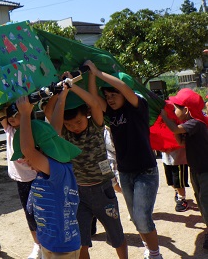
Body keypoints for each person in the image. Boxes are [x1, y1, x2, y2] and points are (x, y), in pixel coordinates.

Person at [84, 61, 162, 259]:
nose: (110, 99)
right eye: (107, 96)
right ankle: (149, 247)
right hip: (125, 173)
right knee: (136, 219)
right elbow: (94, 99)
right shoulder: (111, 113)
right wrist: (91, 76)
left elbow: (125, 88)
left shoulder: (138, 106)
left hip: (146, 171)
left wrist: (98, 71)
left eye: (113, 95)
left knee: (142, 218)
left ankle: (155, 254)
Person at [43, 80, 128, 259]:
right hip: (78, 193)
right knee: (81, 241)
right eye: (69, 124)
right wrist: (60, 93)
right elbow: (48, 112)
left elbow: (95, 103)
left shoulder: (95, 126)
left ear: (86, 115)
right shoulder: (64, 133)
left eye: (78, 122)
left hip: (103, 189)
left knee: (116, 235)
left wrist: (73, 85)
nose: (74, 127)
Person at [12, 95, 82, 258]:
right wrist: (62, 96)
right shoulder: (45, 172)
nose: (26, 161)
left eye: (26, 157)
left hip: (63, 246)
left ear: (42, 150)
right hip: (48, 243)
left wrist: (25, 114)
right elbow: (54, 132)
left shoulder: (58, 172)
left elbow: (29, 149)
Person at [160, 88, 208, 249]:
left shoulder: (196, 123)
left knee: (206, 201)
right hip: (196, 170)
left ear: (186, 110)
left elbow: (174, 129)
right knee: (201, 200)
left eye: (176, 108)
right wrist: (174, 122)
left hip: (205, 171)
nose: (173, 111)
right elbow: (180, 142)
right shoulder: (189, 125)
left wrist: (165, 116)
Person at [1, 103, 43, 259]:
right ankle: (37, 245)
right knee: (29, 213)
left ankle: (46, 243)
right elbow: (2, 112)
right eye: (9, 116)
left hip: (37, 178)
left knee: (43, 212)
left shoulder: (33, 130)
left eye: (16, 115)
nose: (11, 119)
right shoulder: (10, 130)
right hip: (22, 181)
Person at [161, 147, 189, 212]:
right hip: (166, 156)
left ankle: (181, 198)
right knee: (170, 181)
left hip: (179, 157)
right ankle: (177, 191)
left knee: (179, 181)